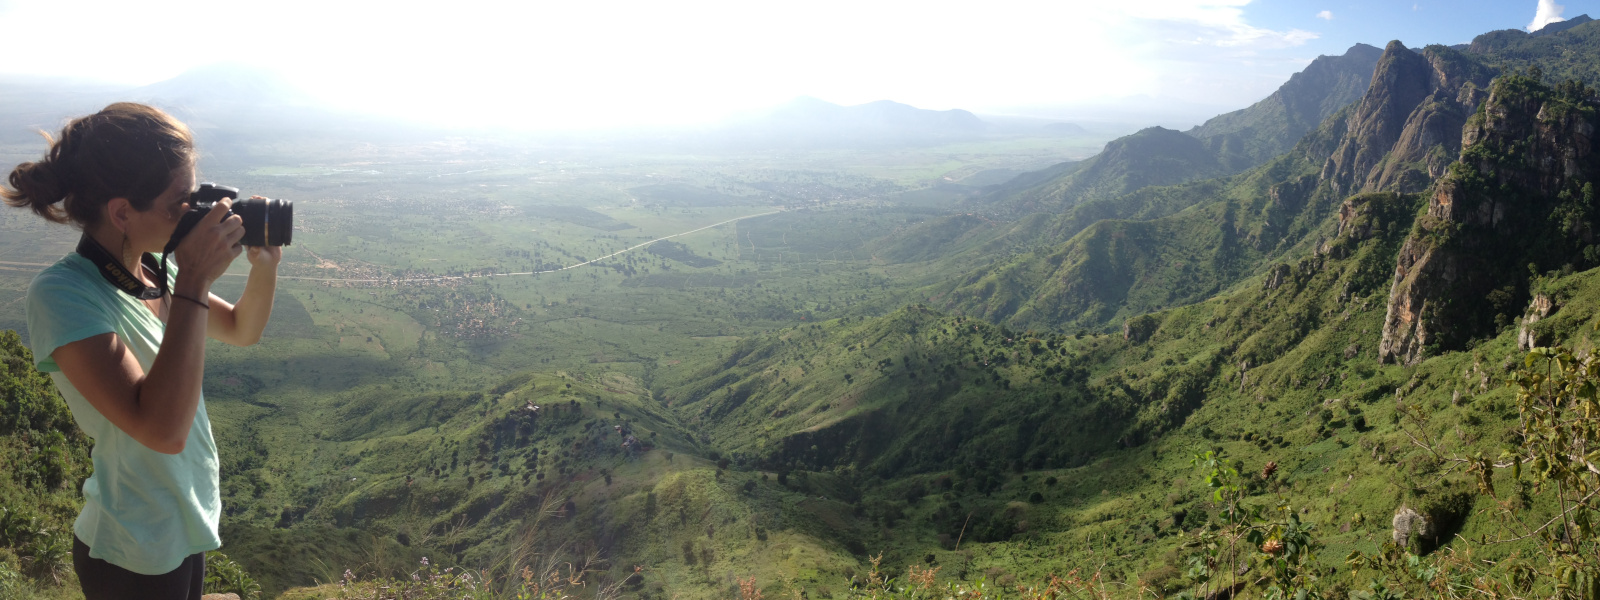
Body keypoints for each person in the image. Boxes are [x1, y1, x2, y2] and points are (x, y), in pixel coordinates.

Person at [2, 103, 280, 600]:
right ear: (123, 212)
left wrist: (265, 265)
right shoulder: (63, 294)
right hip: (133, 549)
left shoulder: (156, 270)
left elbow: (241, 329)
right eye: (180, 203)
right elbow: (161, 430)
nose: (192, 215)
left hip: (180, 522)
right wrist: (195, 277)